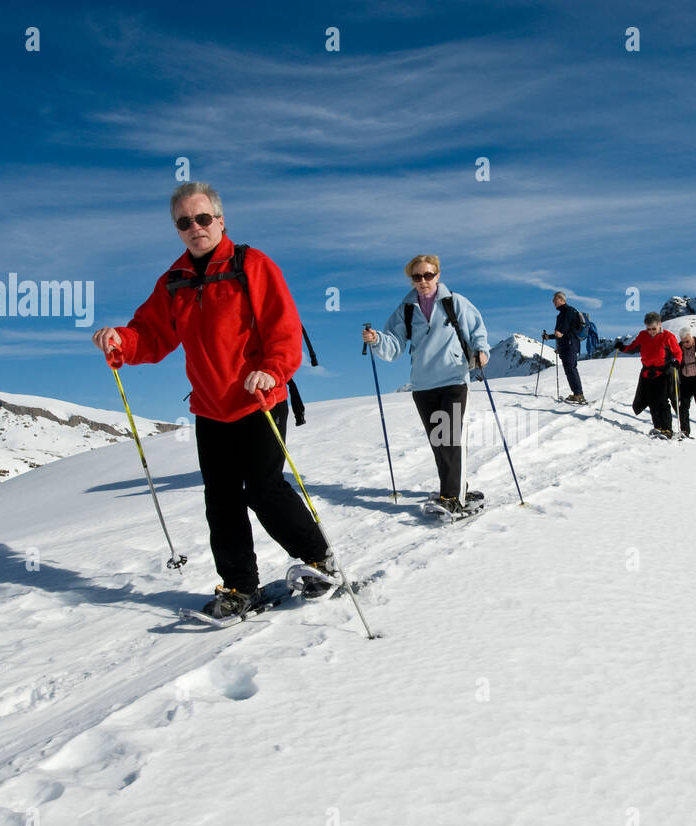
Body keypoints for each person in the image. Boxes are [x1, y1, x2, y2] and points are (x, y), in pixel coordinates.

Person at [91, 182, 338, 617]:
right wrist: (121, 341)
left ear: (220, 221)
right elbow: (151, 334)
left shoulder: (252, 265)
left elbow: (284, 327)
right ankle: (240, 587)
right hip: (210, 407)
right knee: (221, 498)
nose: (195, 227)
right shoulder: (175, 281)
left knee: (263, 490)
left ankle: (321, 560)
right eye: (184, 222)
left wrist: (273, 370)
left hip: (259, 397)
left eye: (202, 218)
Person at [362, 255, 490, 515]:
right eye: (417, 277)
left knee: (451, 439)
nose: (423, 281)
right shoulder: (406, 309)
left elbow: (477, 330)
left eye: (428, 275)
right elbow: (394, 346)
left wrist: (481, 351)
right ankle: (452, 489)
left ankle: (453, 497)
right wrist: (376, 340)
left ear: (438, 275)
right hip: (422, 385)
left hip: (454, 379)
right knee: (438, 442)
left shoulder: (455, 303)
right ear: (411, 279)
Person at [618, 312, 682, 437]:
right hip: (648, 373)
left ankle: (667, 429)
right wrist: (621, 348)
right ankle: (657, 427)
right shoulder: (643, 335)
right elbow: (633, 347)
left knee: (662, 401)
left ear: (659, 324)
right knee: (651, 401)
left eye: (654, 328)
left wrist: (677, 362)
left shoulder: (668, 336)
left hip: (663, 372)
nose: (651, 331)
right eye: (648, 329)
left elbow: (678, 352)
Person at [544, 291, 585, 403]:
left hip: (570, 344)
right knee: (569, 369)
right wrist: (550, 337)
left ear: (561, 299)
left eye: (555, 299)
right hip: (567, 344)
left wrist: (560, 333)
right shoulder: (562, 314)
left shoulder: (568, 311)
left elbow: (564, 330)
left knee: (571, 369)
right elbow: (562, 332)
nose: (553, 301)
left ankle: (579, 394)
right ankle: (577, 393)